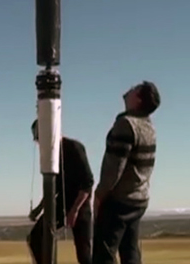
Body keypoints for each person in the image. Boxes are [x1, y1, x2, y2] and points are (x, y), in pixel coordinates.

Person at [92, 81, 160, 264]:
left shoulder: (126, 124)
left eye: (134, 89)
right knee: (130, 252)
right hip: (139, 200)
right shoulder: (148, 127)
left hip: (119, 201)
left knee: (103, 254)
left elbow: (114, 168)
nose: (128, 89)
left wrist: (99, 195)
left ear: (138, 99)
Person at [27, 119, 94, 264]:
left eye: (39, 137)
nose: (38, 142)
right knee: (36, 237)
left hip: (80, 206)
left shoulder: (74, 148)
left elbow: (88, 183)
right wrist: (38, 209)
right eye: (37, 139)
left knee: (84, 253)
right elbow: (52, 188)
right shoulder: (51, 156)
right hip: (61, 205)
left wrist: (74, 211)